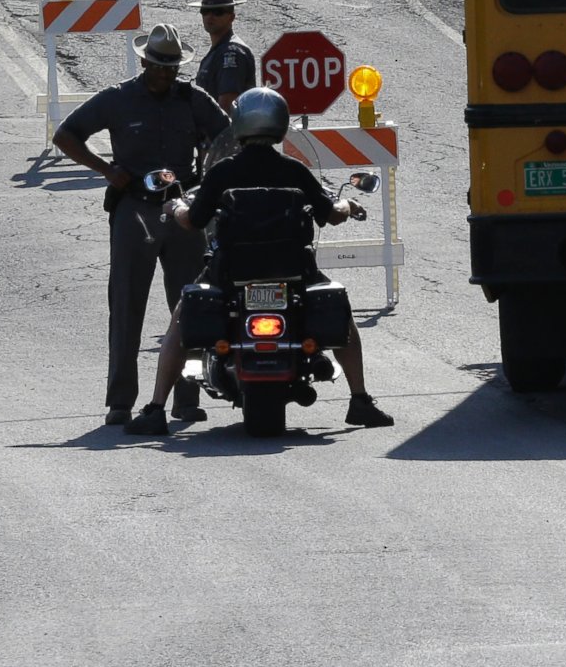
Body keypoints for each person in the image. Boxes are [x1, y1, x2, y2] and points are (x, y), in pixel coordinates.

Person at [124, 86, 394, 433]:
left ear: (239, 123)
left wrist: (175, 205)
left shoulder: (223, 173)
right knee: (343, 318)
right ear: (280, 124)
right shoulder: (294, 171)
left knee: (180, 318)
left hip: (231, 271)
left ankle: (156, 408)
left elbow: (192, 221)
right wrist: (348, 204)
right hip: (294, 271)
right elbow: (331, 213)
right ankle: (360, 399)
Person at [51, 24, 230, 427]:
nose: (168, 74)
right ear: (145, 61)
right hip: (134, 209)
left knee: (189, 306)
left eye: (174, 67)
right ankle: (120, 402)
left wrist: (213, 182)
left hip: (183, 208)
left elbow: (228, 138)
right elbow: (67, 135)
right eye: (161, 66)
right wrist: (105, 169)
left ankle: (186, 399)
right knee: (127, 305)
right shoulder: (117, 99)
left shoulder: (192, 99)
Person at [192, 0, 255, 113]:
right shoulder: (218, 50)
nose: (210, 16)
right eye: (205, 11)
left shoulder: (231, 53)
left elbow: (227, 108)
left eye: (218, 11)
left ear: (232, 17)